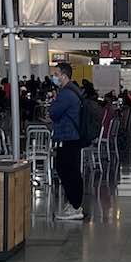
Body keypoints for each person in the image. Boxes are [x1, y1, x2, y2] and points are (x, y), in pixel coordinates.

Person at [48, 63, 86, 221]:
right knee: (71, 170)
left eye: (56, 74)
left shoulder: (65, 94)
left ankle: (75, 206)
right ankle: (74, 204)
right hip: (74, 136)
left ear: (63, 75)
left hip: (68, 137)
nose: (54, 77)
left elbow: (53, 112)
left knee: (66, 170)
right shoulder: (74, 91)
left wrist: (54, 102)